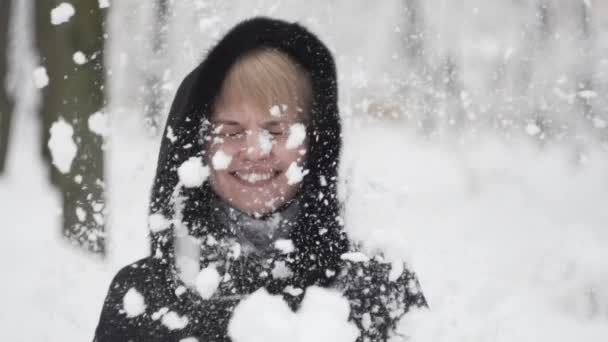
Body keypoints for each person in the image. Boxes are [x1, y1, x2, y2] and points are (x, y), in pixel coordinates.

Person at [94, 17, 426, 342]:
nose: (254, 150)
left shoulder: (376, 286)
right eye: (231, 131)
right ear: (199, 148)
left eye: (277, 130)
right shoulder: (144, 297)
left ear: (315, 146)